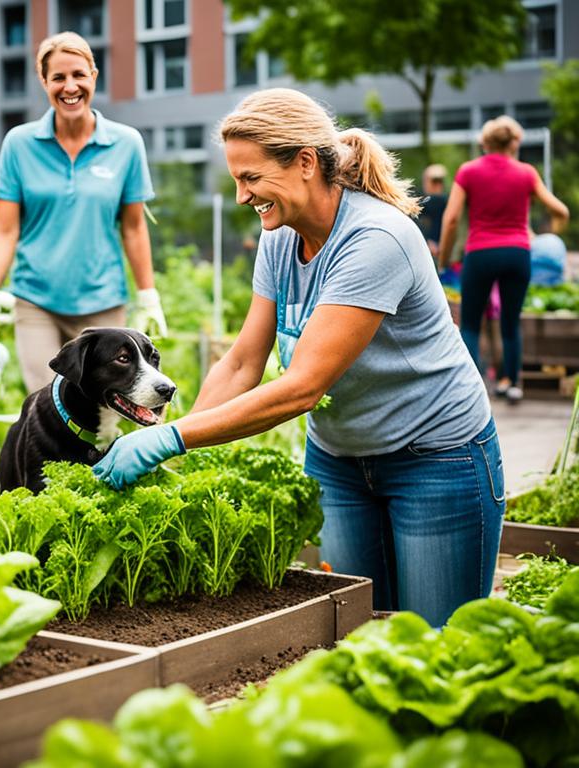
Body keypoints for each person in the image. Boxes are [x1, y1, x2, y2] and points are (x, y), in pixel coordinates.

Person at [93, 88, 503, 628]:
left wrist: (167, 438)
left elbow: (303, 386)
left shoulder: (375, 239)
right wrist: (176, 447)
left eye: (251, 177)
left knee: (440, 647)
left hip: (436, 459)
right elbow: (244, 361)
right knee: (357, 638)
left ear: (306, 162)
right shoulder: (281, 238)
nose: (242, 196)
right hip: (340, 463)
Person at [0, 31, 166, 394]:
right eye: (58, 77)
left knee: (106, 408)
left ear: (93, 76)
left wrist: (147, 294)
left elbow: (134, 228)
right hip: (36, 301)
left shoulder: (125, 144)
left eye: (79, 74)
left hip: (103, 303)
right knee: (47, 402)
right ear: (44, 82)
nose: (70, 86)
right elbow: (5, 230)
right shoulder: (20, 143)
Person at [438, 115, 569, 402]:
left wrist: (444, 260)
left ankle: (470, 389)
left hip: (480, 253)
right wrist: (550, 232)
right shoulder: (526, 173)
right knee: (510, 323)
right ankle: (512, 384)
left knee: (471, 323)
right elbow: (561, 211)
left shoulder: (469, 171)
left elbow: (450, 220)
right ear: (514, 143)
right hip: (517, 254)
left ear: (484, 143)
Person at [417, 163, 448, 263]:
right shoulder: (423, 203)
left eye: (439, 181)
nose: (437, 185)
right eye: (434, 181)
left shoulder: (442, 201)